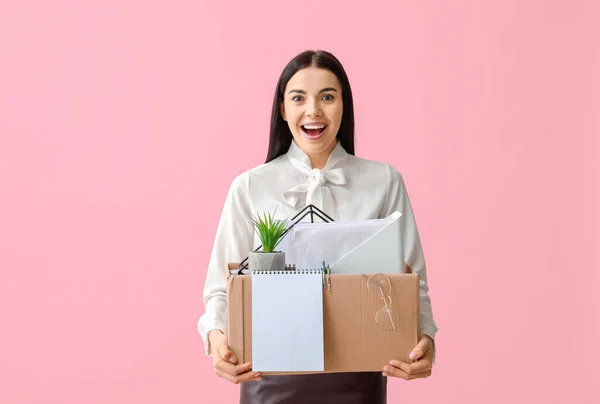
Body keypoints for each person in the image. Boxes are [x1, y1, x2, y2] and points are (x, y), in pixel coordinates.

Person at [197, 49, 438, 403]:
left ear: (344, 106)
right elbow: (222, 286)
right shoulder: (249, 186)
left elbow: (412, 280)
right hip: (270, 380)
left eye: (327, 96)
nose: (313, 111)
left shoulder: (384, 181)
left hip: (360, 379)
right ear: (283, 109)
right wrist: (217, 340)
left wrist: (426, 339)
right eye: (299, 98)